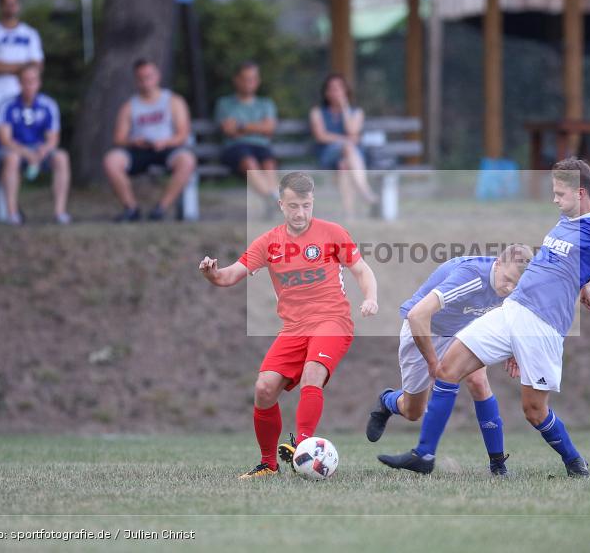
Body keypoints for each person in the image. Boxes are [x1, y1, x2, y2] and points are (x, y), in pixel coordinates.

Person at [378, 158, 590, 477]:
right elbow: (565, 262)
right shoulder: (563, 223)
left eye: (560, 193)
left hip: (542, 327)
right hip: (511, 311)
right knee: (446, 370)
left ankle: (574, 462)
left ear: (581, 193)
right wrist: (585, 283)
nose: (554, 199)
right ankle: (425, 455)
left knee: (534, 411)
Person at [198, 172, 379, 478]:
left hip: (332, 321)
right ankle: (268, 465)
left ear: (313, 203)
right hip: (294, 328)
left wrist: (370, 298)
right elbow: (228, 276)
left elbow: (361, 270)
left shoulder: (332, 233)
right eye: (293, 206)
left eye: (306, 205)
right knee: (264, 389)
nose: (300, 213)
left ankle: (304, 446)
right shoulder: (268, 242)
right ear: (281, 204)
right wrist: (211, 274)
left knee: (312, 373)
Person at [365, 244, 539, 477]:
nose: (510, 288)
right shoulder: (472, 275)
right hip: (426, 328)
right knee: (412, 410)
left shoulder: (517, 282)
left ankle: (498, 464)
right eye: (507, 280)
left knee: (478, 381)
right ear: (497, 263)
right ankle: (387, 401)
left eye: (515, 285)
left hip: (463, 330)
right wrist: (432, 362)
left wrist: (514, 350)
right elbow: (418, 315)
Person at [103, 59, 197, 222]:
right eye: (141, 78)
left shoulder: (174, 101)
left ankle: (161, 209)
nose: (146, 82)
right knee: (111, 161)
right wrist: (133, 141)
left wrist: (166, 142)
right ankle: (131, 209)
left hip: (167, 148)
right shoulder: (129, 106)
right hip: (138, 150)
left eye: (149, 76)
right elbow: (118, 138)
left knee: (187, 160)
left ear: (157, 76)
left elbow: (183, 134)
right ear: (136, 80)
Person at [0, 63, 70, 225]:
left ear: (39, 82)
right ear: (19, 83)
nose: (29, 85)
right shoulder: (7, 105)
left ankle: (60, 212)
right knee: (12, 158)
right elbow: (5, 139)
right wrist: (26, 153)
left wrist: (44, 150)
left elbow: (53, 138)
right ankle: (12, 214)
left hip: (38, 149)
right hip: (14, 150)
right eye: (25, 81)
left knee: (61, 157)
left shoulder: (48, 105)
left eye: (33, 80)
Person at [214, 61, 280, 212]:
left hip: (261, 147)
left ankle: (272, 200)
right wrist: (258, 127)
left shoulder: (266, 103)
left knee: (269, 164)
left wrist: (241, 126)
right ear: (236, 80)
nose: (249, 83)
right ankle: (274, 200)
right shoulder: (224, 103)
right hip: (235, 148)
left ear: (258, 81)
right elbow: (229, 130)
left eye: (253, 79)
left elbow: (269, 128)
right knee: (249, 162)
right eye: (245, 78)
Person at [309, 73, 377, 217]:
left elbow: (352, 130)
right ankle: (365, 192)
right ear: (326, 92)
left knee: (344, 166)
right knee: (348, 147)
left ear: (346, 91)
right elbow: (321, 136)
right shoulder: (317, 112)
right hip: (327, 155)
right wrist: (346, 140)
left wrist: (345, 107)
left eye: (340, 88)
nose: (336, 92)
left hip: (352, 158)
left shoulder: (356, 112)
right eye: (332, 89)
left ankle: (349, 214)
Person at [0, 0, 44, 113]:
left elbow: (37, 67)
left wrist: (2, 66)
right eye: (7, 4)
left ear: (19, 6)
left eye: (14, 3)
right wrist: (24, 67)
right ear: (0, 6)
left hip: (25, 102)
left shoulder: (30, 34)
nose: (10, 7)